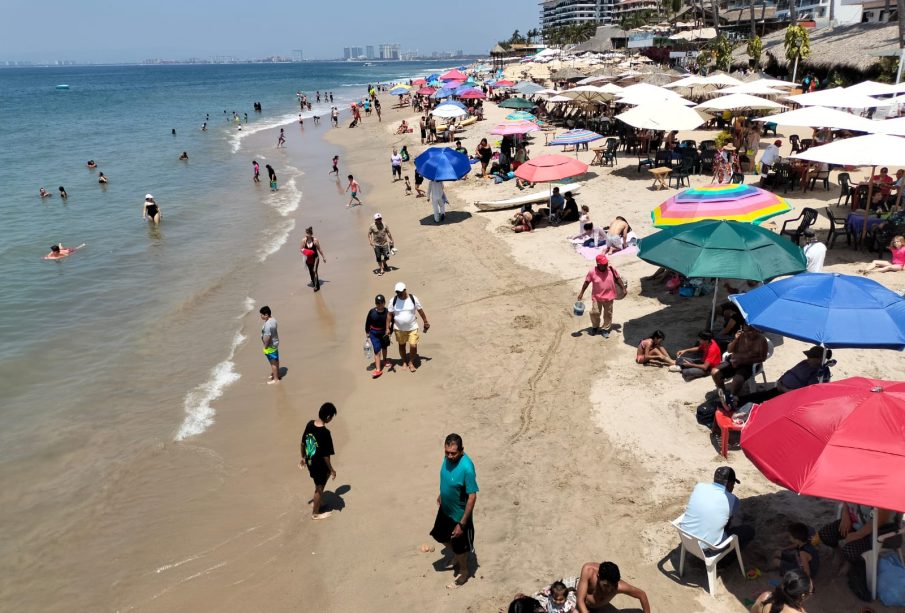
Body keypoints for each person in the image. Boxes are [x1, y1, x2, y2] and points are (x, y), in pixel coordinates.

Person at [429, 433, 478, 588]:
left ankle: (464, 572)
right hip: (445, 508)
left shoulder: (467, 468)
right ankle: (457, 555)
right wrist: (442, 494)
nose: (449, 456)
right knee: (439, 535)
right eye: (447, 452)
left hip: (459, 515)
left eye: (453, 453)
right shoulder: (448, 458)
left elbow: (472, 497)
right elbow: (447, 478)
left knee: (460, 546)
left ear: (461, 451)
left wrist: (462, 524)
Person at [679, 466, 756, 551]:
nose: (733, 487)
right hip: (707, 548)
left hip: (686, 539)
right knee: (749, 531)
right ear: (730, 484)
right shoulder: (733, 500)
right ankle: (727, 559)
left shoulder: (699, 486)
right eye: (733, 484)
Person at [816, 504, 899, 563]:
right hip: (855, 523)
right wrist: (845, 516)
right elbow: (846, 499)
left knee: (850, 551)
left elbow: (881, 520)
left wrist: (858, 534)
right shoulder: (854, 481)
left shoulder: (881, 488)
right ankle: (838, 553)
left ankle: (850, 563)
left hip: (877, 533)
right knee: (825, 534)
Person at [712, 322, 769, 406]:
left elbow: (762, 358)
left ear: (757, 330)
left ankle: (732, 397)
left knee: (737, 380)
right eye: (747, 331)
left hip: (749, 365)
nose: (750, 333)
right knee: (715, 371)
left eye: (753, 330)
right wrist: (735, 339)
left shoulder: (761, 340)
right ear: (743, 329)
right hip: (733, 361)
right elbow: (729, 350)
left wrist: (742, 361)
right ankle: (723, 393)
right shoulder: (740, 336)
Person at [299, 402, 337, 520]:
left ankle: (316, 501)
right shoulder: (325, 433)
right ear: (328, 417)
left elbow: (303, 443)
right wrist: (331, 469)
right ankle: (315, 513)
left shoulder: (310, 424)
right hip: (319, 464)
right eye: (332, 417)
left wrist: (303, 458)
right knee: (320, 487)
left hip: (310, 461)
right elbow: (326, 455)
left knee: (318, 482)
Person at [576, 254, 626, 340]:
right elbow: (586, 282)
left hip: (609, 297)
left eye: (606, 263)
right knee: (594, 312)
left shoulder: (611, 269)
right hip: (597, 297)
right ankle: (595, 327)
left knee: (608, 314)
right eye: (604, 264)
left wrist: (623, 288)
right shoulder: (592, 272)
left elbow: (618, 279)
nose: (606, 265)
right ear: (598, 264)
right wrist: (581, 293)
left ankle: (605, 329)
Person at [575, 561, 650, 613]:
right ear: (598, 577)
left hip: (598, 608)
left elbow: (642, 594)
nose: (609, 590)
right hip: (577, 601)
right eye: (606, 586)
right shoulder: (589, 571)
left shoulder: (619, 586)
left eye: (613, 586)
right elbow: (580, 600)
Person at [387, 282, 430, 372]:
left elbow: (420, 310)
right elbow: (389, 315)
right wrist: (387, 327)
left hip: (412, 327)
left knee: (413, 345)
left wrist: (425, 321)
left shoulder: (412, 298)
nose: (399, 294)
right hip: (399, 328)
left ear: (405, 290)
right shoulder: (393, 300)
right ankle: (404, 362)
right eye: (397, 292)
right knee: (402, 345)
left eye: (400, 292)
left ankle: (411, 362)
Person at [365, 295, 390, 378]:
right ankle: (378, 370)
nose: (380, 305)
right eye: (378, 303)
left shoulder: (387, 312)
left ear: (384, 303)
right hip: (374, 333)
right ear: (375, 303)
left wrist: (390, 331)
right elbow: (367, 322)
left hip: (384, 333)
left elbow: (392, 321)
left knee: (384, 347)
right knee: (377, 350)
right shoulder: (372, 312)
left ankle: (385, 360)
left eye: (381, 303)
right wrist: (367, 332)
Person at [259, 305, 280, 384]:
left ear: (266, 315)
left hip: (270, 346)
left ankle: (275, 379)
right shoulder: (273, 319)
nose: (261, 316)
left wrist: (265, 346)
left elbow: (267, 337)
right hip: (275, 343)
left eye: (262, 315)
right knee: (276, 360)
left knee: (273, 363)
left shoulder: (268, 325)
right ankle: (276, 374)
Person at [301, 226, 326, 291]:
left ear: (310, 234)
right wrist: (307, 252)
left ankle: (316, 286)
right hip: (308, 258)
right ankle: (313, 281)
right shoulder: (304, 241)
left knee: (314, 270)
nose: (306, 235)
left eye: (307, 233)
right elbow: (301, 249)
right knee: (311, 271)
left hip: (315, 258)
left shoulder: (315, 240)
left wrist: (323, 257)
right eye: (305, 233)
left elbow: (319, 249)